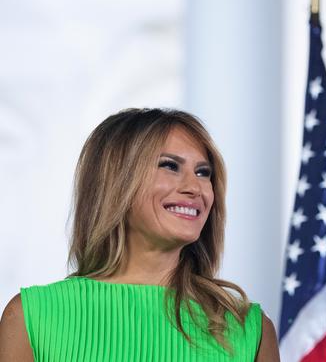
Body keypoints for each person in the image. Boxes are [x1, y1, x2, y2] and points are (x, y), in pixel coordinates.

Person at [0, 108, 281, 362]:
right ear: (116, 181)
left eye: (203, 172)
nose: (195, 188)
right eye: (170, 165)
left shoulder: (249, 329)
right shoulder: (31, 318)